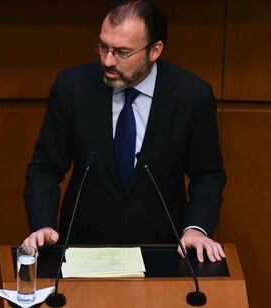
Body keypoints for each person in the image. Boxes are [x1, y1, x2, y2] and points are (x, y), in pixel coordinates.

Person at [22, 0, 226, 263]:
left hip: (162, 249)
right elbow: (45, 168)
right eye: (103, 47)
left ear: (155, 50)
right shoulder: (72, 88)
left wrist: (196, 229)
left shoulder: (191, 96)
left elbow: (207, 174)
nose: (107, 60)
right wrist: (43, 225)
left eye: (121, 52)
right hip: (84, 251)